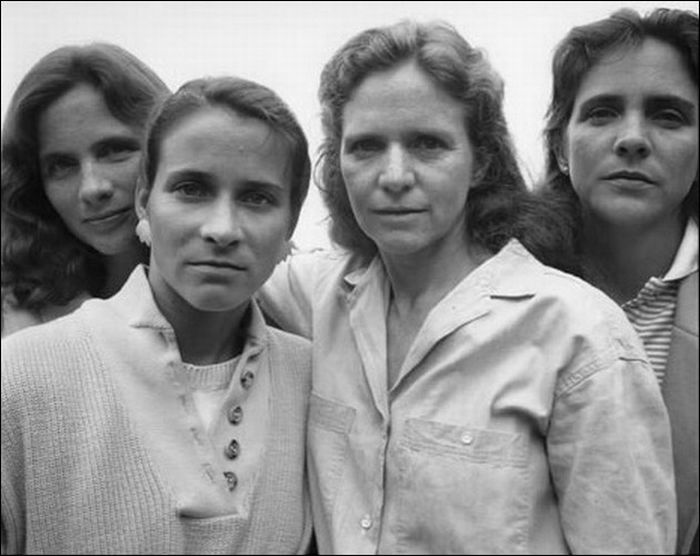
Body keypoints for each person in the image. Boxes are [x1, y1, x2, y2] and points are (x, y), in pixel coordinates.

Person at [258, 20, 677, 554]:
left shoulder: (578, 335)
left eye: (428, 144)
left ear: (480, 161)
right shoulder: (318, 295)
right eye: (365, 147)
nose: (394, 175)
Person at [1, 75, 313, 554]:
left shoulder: (315, 380)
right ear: (144, 199)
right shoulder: (20, 376)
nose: (222, 229)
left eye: (257, 198)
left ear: (291, 219)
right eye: (191, 189)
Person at [538, 8, 698, 554]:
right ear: (560, 147)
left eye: (668, 116)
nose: (632, 139)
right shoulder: (490, 292)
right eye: (602, 112)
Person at [1, 42, 170, 337]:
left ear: (167, 147)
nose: (92, 188)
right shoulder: (13, 320)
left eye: (114, 150)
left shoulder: (248, 300)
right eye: (61, 165)